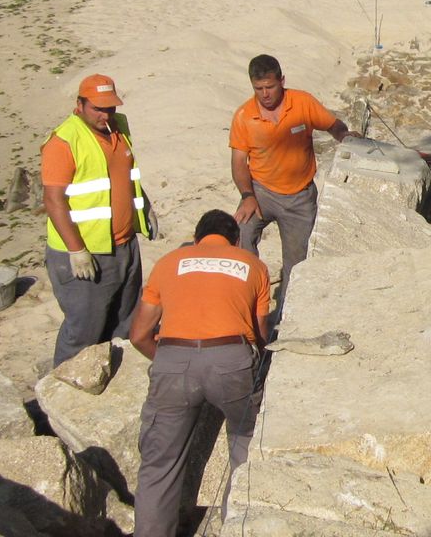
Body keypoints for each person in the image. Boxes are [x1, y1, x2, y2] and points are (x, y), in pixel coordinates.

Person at [130, 209, 270, 537]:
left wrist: (169, 359)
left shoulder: (169, 262)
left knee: (159, 465)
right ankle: (236, 526)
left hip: (173, 360)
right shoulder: (253, 266)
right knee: (244, 444)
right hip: (231, 359)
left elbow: (138, 335)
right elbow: (260, 335)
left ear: (196, 240)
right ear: (235, 241)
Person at [41, 74, 153, 367]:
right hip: (87, 253)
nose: (105, 114)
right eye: (97, 108)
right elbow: (53, 200)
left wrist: (144, 205)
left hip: (125, 246)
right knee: (84, 332)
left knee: (123, 324)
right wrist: (77, 250)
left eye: (110, 108)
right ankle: (62, 395)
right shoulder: (65, 141)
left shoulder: (119, 127)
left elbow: (124, 174)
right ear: (80, 104)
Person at [229, 54, 360, 297]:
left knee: (297, 264)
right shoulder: (243, 116)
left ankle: (284, 316)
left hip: (299, 197)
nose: (265, 94)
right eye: (259, 89)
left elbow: (333, 125)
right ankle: (247, 297)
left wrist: (345, 136)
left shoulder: (302, 102)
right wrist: (247, 195)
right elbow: (238, 163)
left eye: (270, 87)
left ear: (282, 81)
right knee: (241, 236)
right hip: (261, 191)